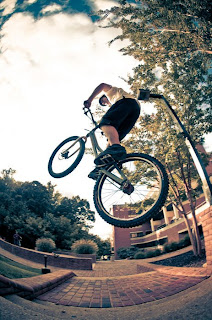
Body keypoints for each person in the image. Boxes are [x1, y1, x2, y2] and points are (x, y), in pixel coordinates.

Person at [84, 83, 140, 180]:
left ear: (105, 96)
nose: (105, 103)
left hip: (127, 102)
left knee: (105, 122)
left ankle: (116, 150)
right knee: (112, 140)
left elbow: (102, 85)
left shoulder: (113, 92)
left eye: (103, 101)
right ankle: (102, 167)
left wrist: (90, 100)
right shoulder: (115, 104)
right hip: (134, 111)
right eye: (103, 104)